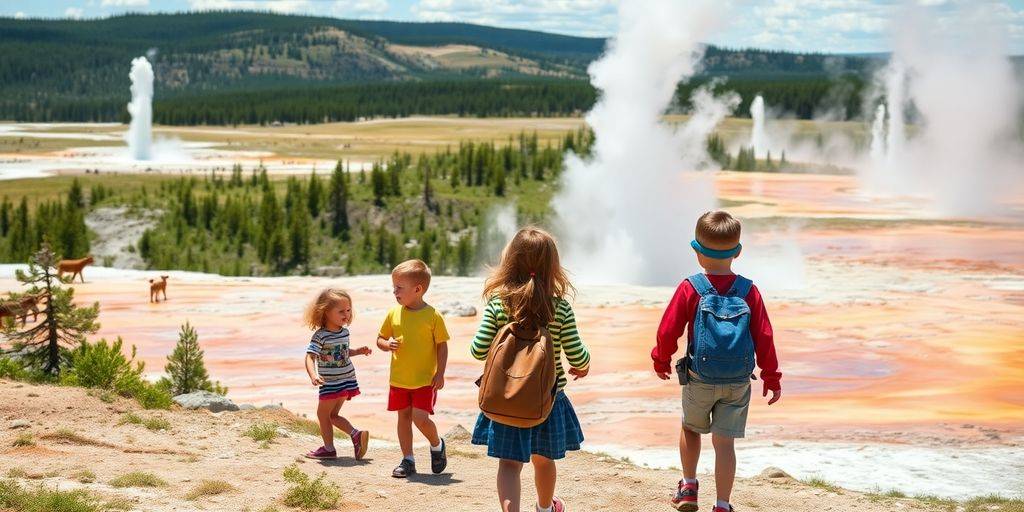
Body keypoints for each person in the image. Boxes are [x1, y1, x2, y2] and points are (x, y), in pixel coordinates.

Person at [652, 211, 782, 512]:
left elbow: (667, 328)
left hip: (699, 378)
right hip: (737, 382)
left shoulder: (691, 287)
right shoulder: (749, 290)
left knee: (690, 428)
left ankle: (687, 487)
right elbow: (765, 336)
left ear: (696, 252)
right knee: (725, 444)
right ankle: (722, 504)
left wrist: (661, 359)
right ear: (738, 252)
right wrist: (772, 377)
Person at [470, 227, 591, 512]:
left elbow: (477, 350)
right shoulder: (559, 309)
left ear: (510, 262)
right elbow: (577, 354)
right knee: (543, 460)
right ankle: (546, 508)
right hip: (548, 401)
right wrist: (582, 366)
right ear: (553, 267)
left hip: (506, 400)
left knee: (510, 465)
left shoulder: (499, 305)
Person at [377, 259, 450, 477]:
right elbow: (380, 338)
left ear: (418, 289)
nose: (394, 292)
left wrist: (441, 373)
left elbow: (442, 346)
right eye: (394, 287)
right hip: (399, 379)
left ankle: (437, 445)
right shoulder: (393, 314)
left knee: (420, 418)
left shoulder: (433, 316)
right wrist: (386, 345)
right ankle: (407, 459)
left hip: (425, 380)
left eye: (399, 288)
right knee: (403, 418)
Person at [303, 287, 371, 460]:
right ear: (325, 312)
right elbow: (310, 357)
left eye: (348, 310)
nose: (346, 314)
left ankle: (329, 448)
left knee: (323, 415)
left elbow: (343, 352)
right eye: (341, 311)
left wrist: (357, 351)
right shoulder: (320, 336)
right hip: (343, 380)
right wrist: (313, 375)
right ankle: (355, 435)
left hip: (336, 382)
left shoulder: (343, 332)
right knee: (332, 415)